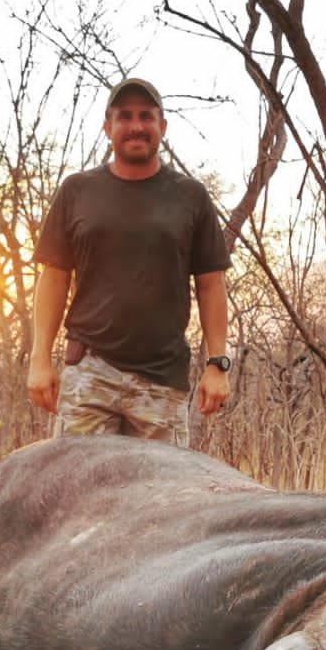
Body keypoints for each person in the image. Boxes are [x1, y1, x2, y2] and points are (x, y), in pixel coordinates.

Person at [28, 77, 232, 446]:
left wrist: (217, 364)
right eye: (124, 116)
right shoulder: (77, 191)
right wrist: (39, 358)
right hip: (89, 373)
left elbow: (211, 283)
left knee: (166, 500)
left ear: (162, 127)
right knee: (78, 497)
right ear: (108, 127)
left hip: (161, 380)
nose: (136, 126)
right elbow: (54, 278)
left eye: (146, 116)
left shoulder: (191, 196)